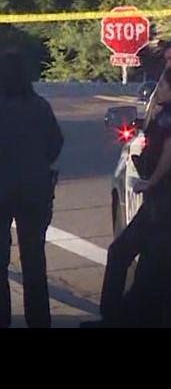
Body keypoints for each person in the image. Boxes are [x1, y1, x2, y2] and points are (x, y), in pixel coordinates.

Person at [83, 33, 171, 328]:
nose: (168, 67)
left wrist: (152, 180)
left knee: (135, 258)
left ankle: (115, 317)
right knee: (154, 267)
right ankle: (127, 315)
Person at [0, 49, 64, 329]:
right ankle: (39, 321)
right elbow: (56, 144)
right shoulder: (40, 106)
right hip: (35, 192)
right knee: (34, 262)